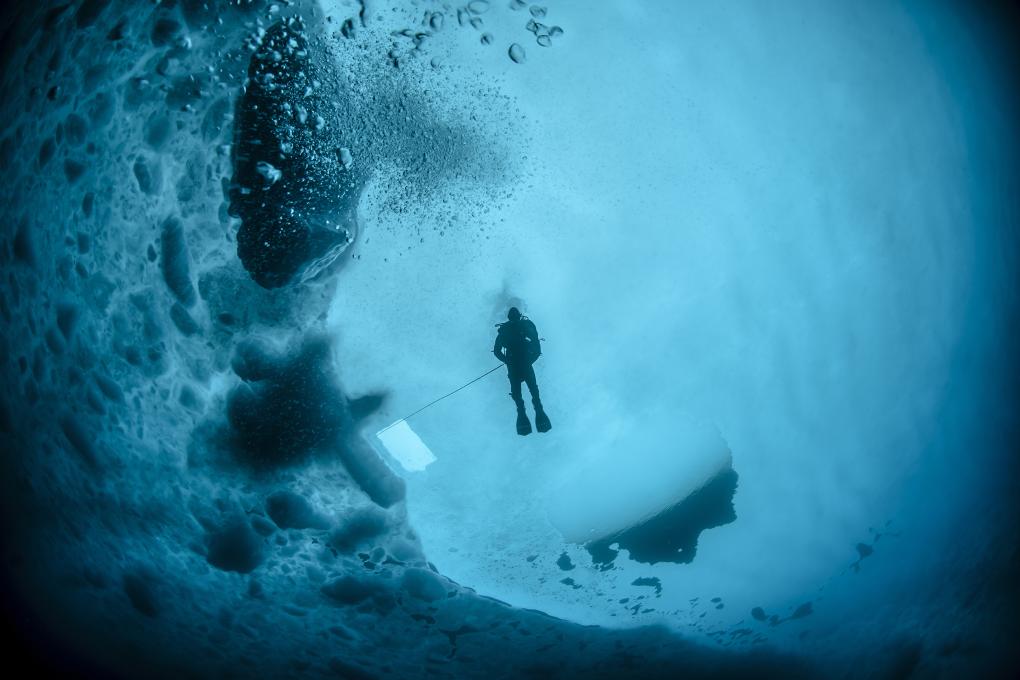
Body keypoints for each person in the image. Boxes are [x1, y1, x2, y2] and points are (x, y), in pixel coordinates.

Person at [493, 307, 551, 435]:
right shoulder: (525, 325)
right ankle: (537, 406)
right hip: (525, 361)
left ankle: (522, 409)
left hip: (513, 364)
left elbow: (497, 351)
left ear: (509, 318)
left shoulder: (504, 330)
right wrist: (530, 359)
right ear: (519, 316)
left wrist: (507, 360)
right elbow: (536, 346)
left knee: (516, 391)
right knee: (532, 388)